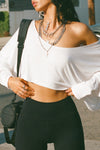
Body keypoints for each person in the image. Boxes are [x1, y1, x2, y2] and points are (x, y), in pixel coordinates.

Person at [0, 0, 100, 150]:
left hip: (65, 117)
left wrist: (85, 87)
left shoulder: (78, 30)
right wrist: (9, 81)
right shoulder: (26, 29)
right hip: (30, 116)